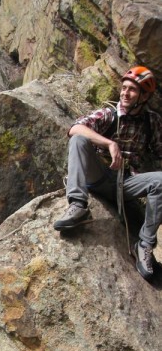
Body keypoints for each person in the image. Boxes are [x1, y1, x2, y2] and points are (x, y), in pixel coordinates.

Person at [54, 66, 162, 281]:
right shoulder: (109, 114)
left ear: (144, 96)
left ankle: (145, 245)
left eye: (132, 90)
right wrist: (109, 143)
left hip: (128, 183)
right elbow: (75, 128)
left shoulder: (152, 122)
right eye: (124, 88)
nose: (125, 93)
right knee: (79, 140)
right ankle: (77, 204)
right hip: (100, 175)